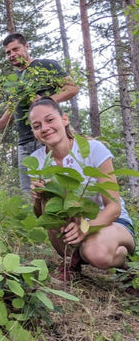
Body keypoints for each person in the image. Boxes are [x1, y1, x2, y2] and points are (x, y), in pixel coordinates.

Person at [28, 96, 135, 281]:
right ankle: (72, 260)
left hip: (110, 223)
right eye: (37, 126)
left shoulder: (94, 149)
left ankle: (124, 264)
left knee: (98, 253)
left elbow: (114, 207)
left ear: (64, 119)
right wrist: (37, 198)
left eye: (50, 119)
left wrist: (85, 228)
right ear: (33, 132)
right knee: (49, 197)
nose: (44, 128)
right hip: (71, 226)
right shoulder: (37, 160)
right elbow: (42, 216)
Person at [0, 33, 79, 193]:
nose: (12, 55)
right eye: (8, 52)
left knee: (56, 188)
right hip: (24, 143)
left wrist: (46, 99)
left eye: (16, 49)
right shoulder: (14, 79)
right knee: (29, 193)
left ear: (27, 46)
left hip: (48, 137)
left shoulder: (46, 65)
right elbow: (12, 109)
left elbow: (72, 88)